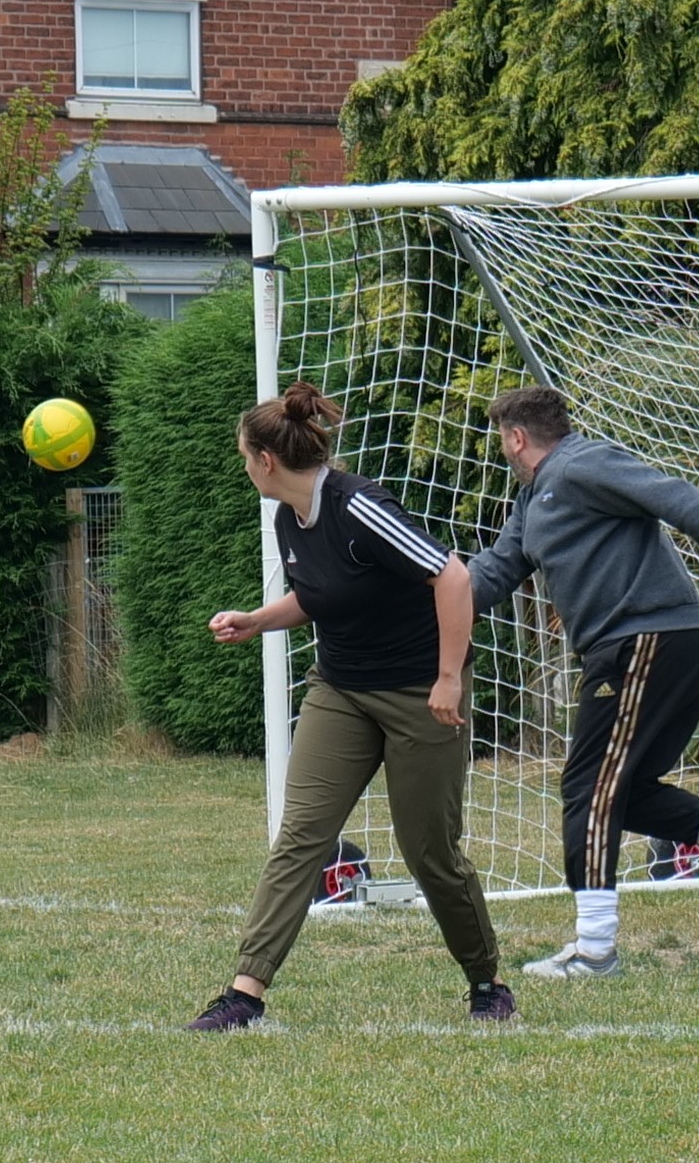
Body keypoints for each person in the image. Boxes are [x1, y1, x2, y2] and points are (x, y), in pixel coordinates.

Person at [195, 387, 511, 1032]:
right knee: (301, 839)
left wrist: (448, 678)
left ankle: (487, 981)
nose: (243, 466)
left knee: (430, 852)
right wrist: (258, 620)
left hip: (420, 694)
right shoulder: (290, 516)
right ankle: (243, 995)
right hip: (340, 690)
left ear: (263, 459)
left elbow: (452, 578)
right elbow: (321, 596)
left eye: (242, 456)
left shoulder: (359, 505)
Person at [463, 383, 699, 977]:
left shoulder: (581, 463)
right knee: (625, 793)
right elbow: (489, 575)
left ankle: (594, 951)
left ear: (516, 438)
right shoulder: (533, 502)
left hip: (648, 644)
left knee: (588, 792)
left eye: (501, 442)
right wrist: (419, 593)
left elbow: (669, 494)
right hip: (644, 650)